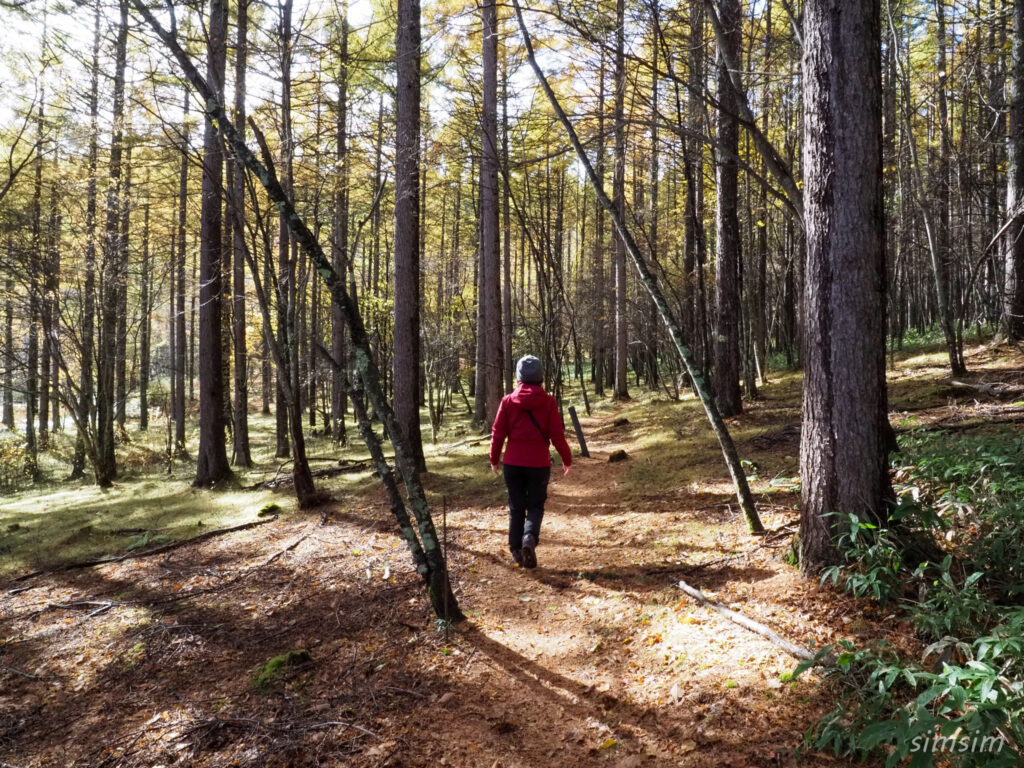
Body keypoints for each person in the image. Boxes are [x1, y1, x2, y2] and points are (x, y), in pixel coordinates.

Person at [489, 355, 572, 568]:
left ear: (519, 377)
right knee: (535, 506)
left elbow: (498, 433)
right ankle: (529, 538)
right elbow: (557, 435)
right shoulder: (549, 402)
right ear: (540, 377)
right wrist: (566, 459)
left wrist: (494, 458)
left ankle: (516, 551)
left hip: (513, 464)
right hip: (538, 464)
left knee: (516, 507)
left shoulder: (507, 401)